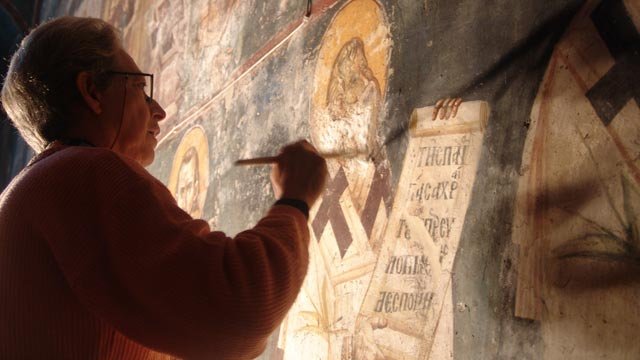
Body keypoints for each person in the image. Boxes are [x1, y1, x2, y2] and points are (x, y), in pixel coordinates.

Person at [0, 16, 327, 360]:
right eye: (140, 89)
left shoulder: (30, 194)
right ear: (92, 91)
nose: (160, 111)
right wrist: (295, 200)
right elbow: (236, 308)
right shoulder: (80, 172)